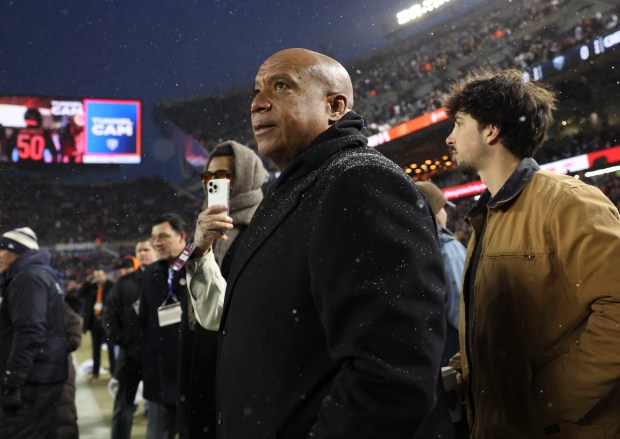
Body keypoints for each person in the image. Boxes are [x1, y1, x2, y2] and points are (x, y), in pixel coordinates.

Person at [208, 48, 452, 438]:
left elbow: (391, 372)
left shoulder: (360, 181)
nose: (257, 103)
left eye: (281, 86)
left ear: (334, 106)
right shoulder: (293, 190)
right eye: (255, 91)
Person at [444, 69, 620, 437]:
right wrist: (466, 369)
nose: (449, 137)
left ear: (491, 131)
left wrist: (550, 399)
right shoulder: (487, 214)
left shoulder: (567, 201)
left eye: (459, 124)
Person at [179, 140, 267, 438]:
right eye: (209, 177)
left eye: (226, 175)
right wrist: (199, 244)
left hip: (240, 364)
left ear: (248, 175)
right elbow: (181, 278)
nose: (215, 183)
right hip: (201, 351)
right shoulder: (203, 227)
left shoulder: (265, 224)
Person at [0, 227, 68, 438]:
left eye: (0, 249)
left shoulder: (28, 277)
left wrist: (14, 375)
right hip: (43, 373)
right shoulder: (42, 274)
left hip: (33, 377)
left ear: (15, 251)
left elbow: (30, 329)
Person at [140, 213, 188, 439]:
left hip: (191, 376)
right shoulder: (150, 274)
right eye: (153, 237)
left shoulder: (200, 265)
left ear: (182, 237)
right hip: (159, 379)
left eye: (163, 236)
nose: (157, 242)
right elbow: (143, 323)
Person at [104, 240, 157, 439]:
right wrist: (123, 340)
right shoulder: (124, 283)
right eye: (139, 250)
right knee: (123, 406)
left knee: (163, 408)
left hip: (157, 356)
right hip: (131, 355)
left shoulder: (167, 278)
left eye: (146, 249)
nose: (143, 253)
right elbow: (108, 315)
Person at [415, 181, 466, 367]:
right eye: (442, 208)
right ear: (435, 213)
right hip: (456, 355)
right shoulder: (448, 249)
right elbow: (465, 311)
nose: (445, 213)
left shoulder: (411, 251)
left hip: (430, 360)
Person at [79, 268, 115, 380]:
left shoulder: (111, 286)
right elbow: (81, 293)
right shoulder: (92, 286)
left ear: (105, 275)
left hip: (107, 321)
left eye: (100, 275)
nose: (98, 277)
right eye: (96, 275)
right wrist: (88, 281)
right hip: (95, 321)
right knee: (95, 348)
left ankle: (114, 372)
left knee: (111, 347)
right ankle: (95, 373)